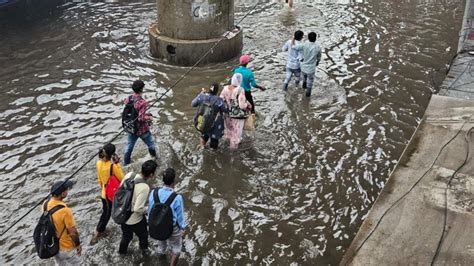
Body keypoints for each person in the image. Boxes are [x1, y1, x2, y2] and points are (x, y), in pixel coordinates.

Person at [148, 168, 187, 266]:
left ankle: (160, 260)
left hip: (156, 225)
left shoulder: (154, 193)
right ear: (174, 182)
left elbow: (150, 211)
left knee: (161, 245)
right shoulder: (177, 198)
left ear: (163, 180)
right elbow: (180, 217)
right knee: (176, 249)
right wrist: (183, 228)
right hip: (172, 229)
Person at [118, 160, 157, 255]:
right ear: (151, 174)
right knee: (143, 236)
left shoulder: (129, 175)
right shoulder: (144, 187)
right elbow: (137, 209)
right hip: (135, 220)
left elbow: (120, 190)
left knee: (126, 237)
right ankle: (144, 252)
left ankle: (121, 253)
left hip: (123, 215)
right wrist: (148, 208)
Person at [91, 143, 124, 245]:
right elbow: (122, 178)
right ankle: (98, 232)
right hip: (110, 195)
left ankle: (99, 231)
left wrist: (103, 188)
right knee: (106, 214)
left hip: (104, 193)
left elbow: (100, 180)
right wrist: (118, 164)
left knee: (106, 212)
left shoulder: (98, 163)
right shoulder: (112, 166)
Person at [47, 180, 82, 265]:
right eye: (66, 190)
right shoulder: (65, 211)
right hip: (66, 247)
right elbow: (72, 231)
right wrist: (78, 245)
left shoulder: (45, 204)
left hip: (54, 246)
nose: (67, 191)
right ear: (62, 194)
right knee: (79, 264)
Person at [123, 80, 157, 165]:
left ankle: (126, 164)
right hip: (142, 130)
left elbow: (129, 107)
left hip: (131, 128)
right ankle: (154, 158)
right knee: (151, 146)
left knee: (128, 148)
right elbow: (141, 118)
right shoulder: (143, 102)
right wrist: (149, 117)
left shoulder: (128, 98)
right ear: (142, 89)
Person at [191, 83, 228, 149]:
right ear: (217, 91)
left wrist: (200, 94)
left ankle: (202, 146)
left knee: (204, 133)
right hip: (214, 125)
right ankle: (212, 153)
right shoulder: (219, 100)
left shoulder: (202, 96)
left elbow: (193, 104)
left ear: (209, 89)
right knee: (214, 143)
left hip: (203, 121)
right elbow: (225, 110)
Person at [220, 73, 251, 149]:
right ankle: (233, 153)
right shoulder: (240, 90)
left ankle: (226, 146)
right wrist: (248, 105)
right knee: (236, 135)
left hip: (227, 115)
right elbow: (242, 105)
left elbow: (221, 100)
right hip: (237, 117)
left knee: (228, 132)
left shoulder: (225, 88)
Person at [292, 32, 322, 97]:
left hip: (303, 67)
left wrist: (293, 39)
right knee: (310, 83)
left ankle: (303, 89)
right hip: (311, 69)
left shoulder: (304, 44)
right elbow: (319, 57)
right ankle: (307, 98)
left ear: (308, 38)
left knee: (304, 79)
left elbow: (294, 47)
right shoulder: (317, 47)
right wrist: (317, 62)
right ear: (315, 38)